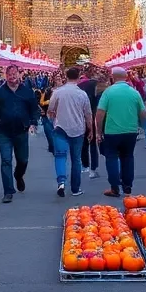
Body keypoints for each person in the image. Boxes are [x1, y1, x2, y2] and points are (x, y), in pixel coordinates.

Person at [0, 64, 40, 203]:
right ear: (6, 76)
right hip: (4, 132)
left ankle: (18, 175)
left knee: (23, 160)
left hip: (22, 131)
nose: (12, 76)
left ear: (19, 75)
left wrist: (33, 122)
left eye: (14, 74)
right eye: (9, 74)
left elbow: (34, 109)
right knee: (6, 160)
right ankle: (8, 191)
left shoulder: (27, 92)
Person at [96, 68, 146, 198]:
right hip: (130, 130)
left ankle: (114, 188)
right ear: (126, 77)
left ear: (112, 77)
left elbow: (100, 113)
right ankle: (128, 187)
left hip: (112, 131)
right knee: (128, 157)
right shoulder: (134, 92)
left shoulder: (108, 92)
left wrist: (99, 131)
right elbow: (143, 112)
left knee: (111, 157)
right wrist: (141, 125)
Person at [47, 67, 92, 198]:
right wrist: (91, 129)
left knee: (60, 156)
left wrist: (54, 117)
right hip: (78, 129)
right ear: (78, 77)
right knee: (76, 159)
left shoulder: (58, 92)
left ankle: (61, 182)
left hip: (60, 127)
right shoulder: (82, 94)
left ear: (66, 77)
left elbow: (50, 109)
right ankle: (75, 188)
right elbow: (88, 114)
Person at [78, 70, 103, 178]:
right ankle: (93, 169)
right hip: (92, 116)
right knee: (93, 144)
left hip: (81, 117)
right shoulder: (96, 86)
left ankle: (85, 165)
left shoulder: (78, 87)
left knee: (83, 143)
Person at [39, 74, 60, 154]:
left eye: (60, 78)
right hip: (47, 116)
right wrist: (49, 101)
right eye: (57, 78)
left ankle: (56, 151)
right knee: (49, 135)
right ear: (54, 80)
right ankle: (52, 148)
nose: (59, 80)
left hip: (60, 117)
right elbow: (41, 102)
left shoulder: (65, 91)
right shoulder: (48, 90)